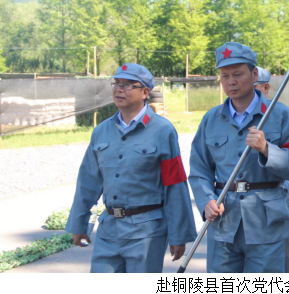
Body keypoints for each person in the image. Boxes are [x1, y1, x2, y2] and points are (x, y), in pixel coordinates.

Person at [65, 63, 197, 273]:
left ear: (145, 92)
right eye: (116, 83)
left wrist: (178, 235)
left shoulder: (163, 131)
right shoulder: (101, 131)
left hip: (146, 233)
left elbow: (174, 184)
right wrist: (78, 223)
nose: (119, 89)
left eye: (127, 85)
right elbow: (88, 181)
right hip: (109, 230)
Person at [189, 42, 289, 273]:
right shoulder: (211, 119)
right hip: (223, 220)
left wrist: (267, 149)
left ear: (254, 75)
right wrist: (206, 201)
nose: (231, 81)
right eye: (224, 76)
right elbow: (199, 169)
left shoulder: (280, 115)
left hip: (267, 222)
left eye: (237, 74)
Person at [255, 65, 289, 273]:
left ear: (266, 88)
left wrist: (267, 149)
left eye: (254, 87)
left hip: (278, 195)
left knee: (288, 251)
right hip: (241, 203)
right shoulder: (226, 115)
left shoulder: (281, 115)